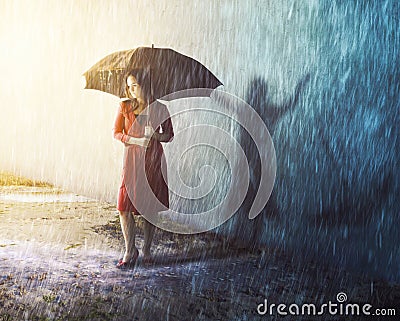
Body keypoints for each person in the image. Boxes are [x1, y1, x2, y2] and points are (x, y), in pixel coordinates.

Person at [113, 68, 174, 268]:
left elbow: (170, 135)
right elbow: (116, 133)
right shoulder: (125, 106)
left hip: (153, 161)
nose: (131, 91)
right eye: (128, 87)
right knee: (123, 206)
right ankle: (130, 250)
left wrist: (155, 136)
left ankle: (147, 249)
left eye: (135, 86)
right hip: (131, 161)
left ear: (144, 85)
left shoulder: (160, 108)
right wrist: (135, 140)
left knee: (150, 208)